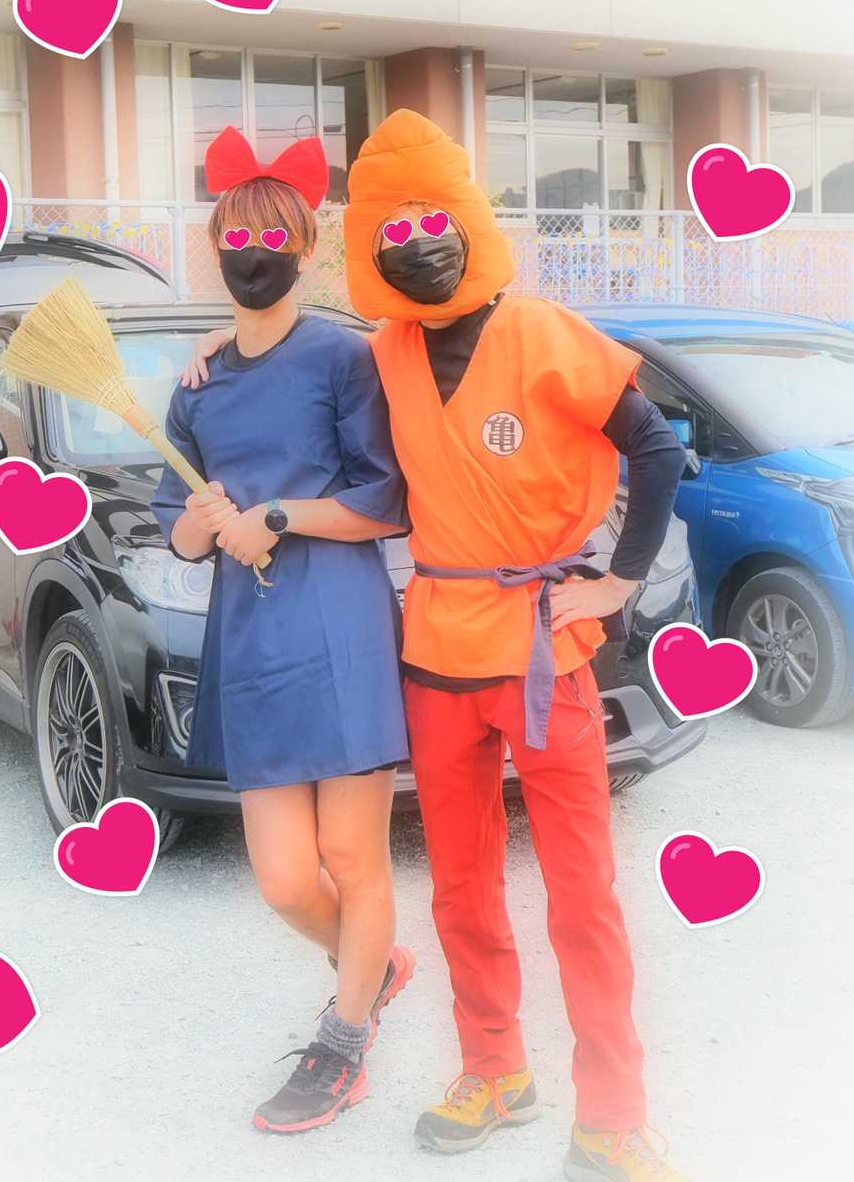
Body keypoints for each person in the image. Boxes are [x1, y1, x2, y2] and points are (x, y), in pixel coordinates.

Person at [185, 109, 691, 1181]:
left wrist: (619, 578)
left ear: (469, 220)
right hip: (437, 651)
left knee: (582, 895)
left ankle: (614, 1112)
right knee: (461, 888)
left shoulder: (544, 329)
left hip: (545, 651)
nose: (416, 244)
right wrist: (217, 349)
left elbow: (655, 447)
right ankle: (493, 1070)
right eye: (393, 229)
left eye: (432, 221)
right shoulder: (387, 352)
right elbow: (284, 361)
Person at [150, 125, 415, 1136]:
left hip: (340, 624)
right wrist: (203, 520)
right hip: (253, 639)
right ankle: (372, 967)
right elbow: (179, 533)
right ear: (214, 245)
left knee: (352, 857)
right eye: (235, 237)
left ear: (306, 248)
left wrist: (275, 516)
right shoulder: (199, 383)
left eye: (273, 238)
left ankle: (342, 1044)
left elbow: (385, 501)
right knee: (283, 879)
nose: (252, 254)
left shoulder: (343, 358)